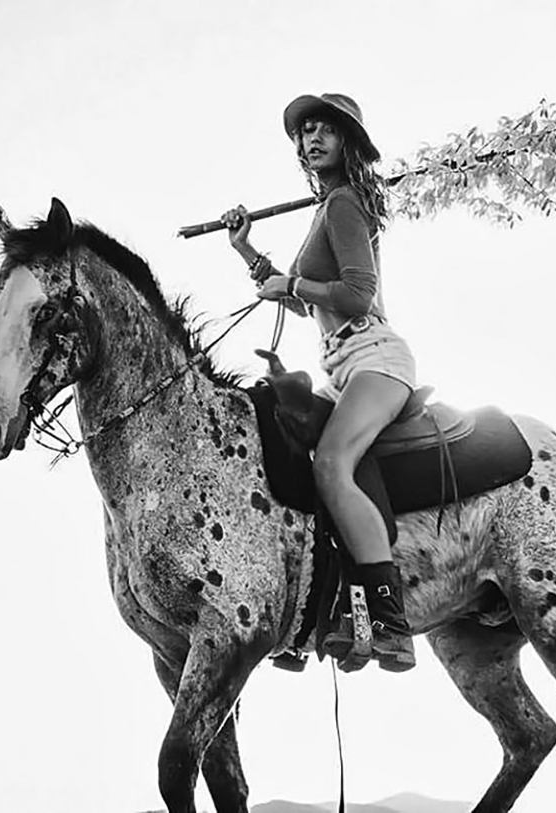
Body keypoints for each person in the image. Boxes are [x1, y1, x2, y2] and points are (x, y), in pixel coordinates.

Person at [220, 93, 417, 672]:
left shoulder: (344, 203)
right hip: (342, 365)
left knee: (331, 464)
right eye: (305, 131)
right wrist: (248, 251)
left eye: (325, 129)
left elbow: (356, 293)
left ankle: (390, 620)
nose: (312, 139)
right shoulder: (326, 208)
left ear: (347, 142)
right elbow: (303, 298)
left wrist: (290, 285)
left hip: (374, 359)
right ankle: (320, 608)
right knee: (293, 456)